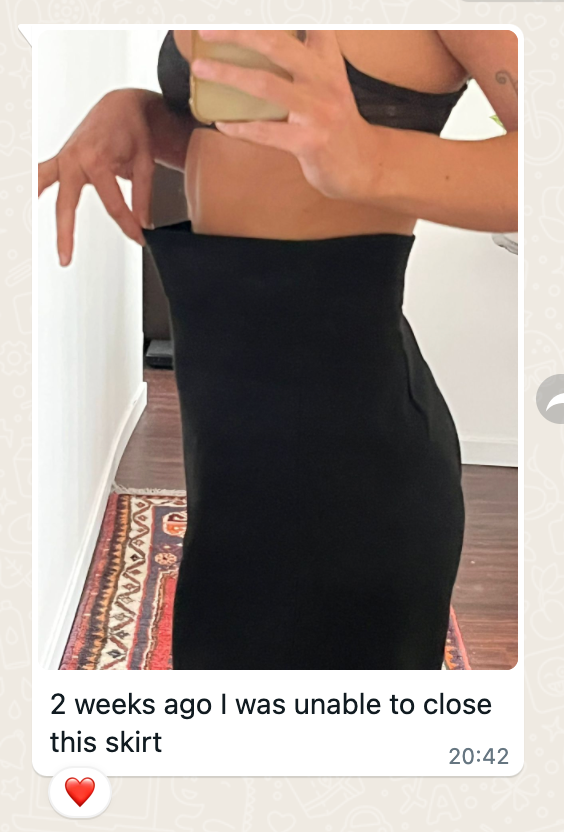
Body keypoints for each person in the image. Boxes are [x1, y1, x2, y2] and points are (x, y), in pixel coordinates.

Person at [39, 29, 518, 670]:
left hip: (352, 466)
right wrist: (141, 115)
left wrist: (371, 160)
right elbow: (259, 145)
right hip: (228, 435)